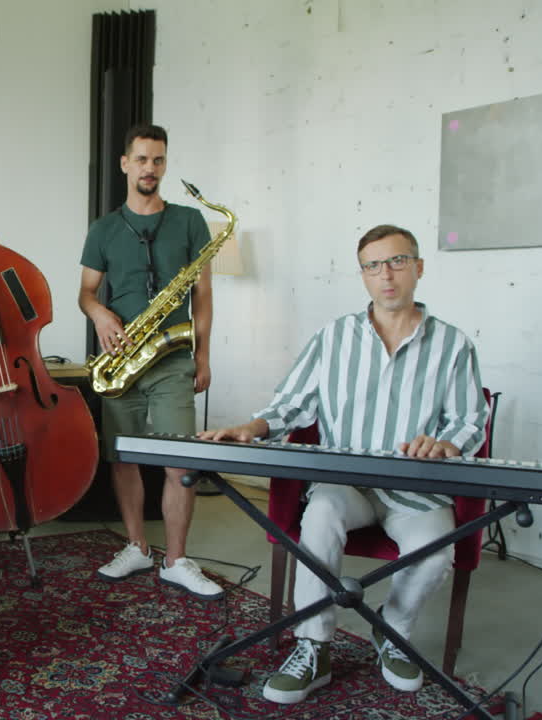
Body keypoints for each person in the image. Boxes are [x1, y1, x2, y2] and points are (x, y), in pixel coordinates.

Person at [198, 224, 488, 703]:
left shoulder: (453, 345)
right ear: (363, 276)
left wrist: (446, 444)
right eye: (373, 265)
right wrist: (251, 428)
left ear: (418, 267)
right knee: (321, 515)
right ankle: (314, 646)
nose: (386, 274)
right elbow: (291, 405)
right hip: (345, 484)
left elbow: (470, 420)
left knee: (436, 550)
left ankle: (392, 630)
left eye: (396, 261)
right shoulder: (333, 338)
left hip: (416, 489)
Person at [78, 124, 223, 600]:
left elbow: (202, 293)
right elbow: (85, 292)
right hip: (122, 360)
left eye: (158, 160)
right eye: (141, 159)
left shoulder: (189, 221)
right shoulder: (102, 229)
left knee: (180, 462)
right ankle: (137, 546)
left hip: (173, 357)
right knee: (124, 459)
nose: (150, 169)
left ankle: (177, 560)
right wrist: (99, 313)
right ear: (125, 163)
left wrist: (202, 352)